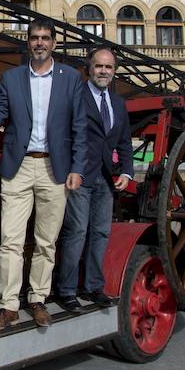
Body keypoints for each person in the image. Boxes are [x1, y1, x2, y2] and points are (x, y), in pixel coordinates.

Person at [0, 18, 88, 330]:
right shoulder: (13, 78)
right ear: (28, 43)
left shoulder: (70, 78)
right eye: (34, 38)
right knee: (11, 241)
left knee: (46, 241)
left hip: (54, 169)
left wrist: (77, 168)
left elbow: (80, 128)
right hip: (18, 166)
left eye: (45, 38)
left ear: (54, 43)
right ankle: (8, 306)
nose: (40, 43)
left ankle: (38, 299)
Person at [56, 48, 134, 311]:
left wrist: (126, 171)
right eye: (99, 66)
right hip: (79, 175)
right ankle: (66, 291)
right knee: (76, 232)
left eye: (109, 67)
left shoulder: (118, 104)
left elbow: (123, 141)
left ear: (114, 72)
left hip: (107, 178)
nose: (103, 71)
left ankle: (92, 287)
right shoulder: (75, 96)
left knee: (100, 232)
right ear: (89, 69)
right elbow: (64, 134)